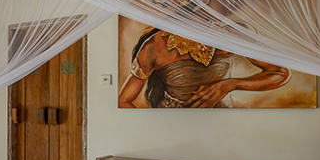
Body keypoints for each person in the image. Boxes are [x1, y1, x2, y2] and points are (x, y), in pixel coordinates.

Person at [117, 28, 291, 108]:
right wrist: (149, 128)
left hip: (222, 119)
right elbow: (123, 100)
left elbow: (280, 73)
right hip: (170, 120)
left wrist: (229, 84)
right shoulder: (155, 44)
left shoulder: (233, 32)